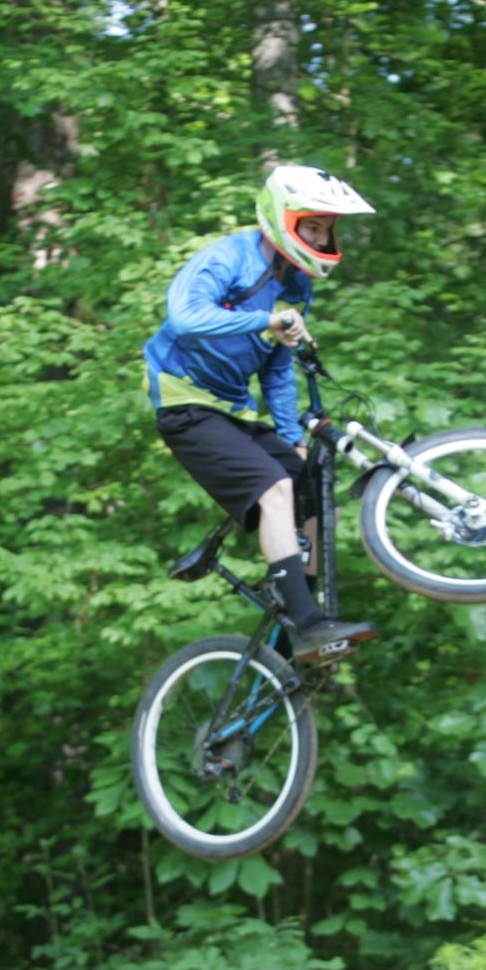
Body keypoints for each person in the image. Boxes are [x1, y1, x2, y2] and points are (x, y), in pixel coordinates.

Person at [145, 163, 378, 661]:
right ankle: (306, 623)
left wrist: (293, 435)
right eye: (311, 225)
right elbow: (184, 317)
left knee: (315, 494)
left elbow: (276, 368)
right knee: (275, 488)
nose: (320, 235)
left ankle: (301, 623)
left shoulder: (298, 287)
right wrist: (267, 319)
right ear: (284, 218)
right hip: (184, 402)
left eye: (325, 229)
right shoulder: (229, 256)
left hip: (236, 409)